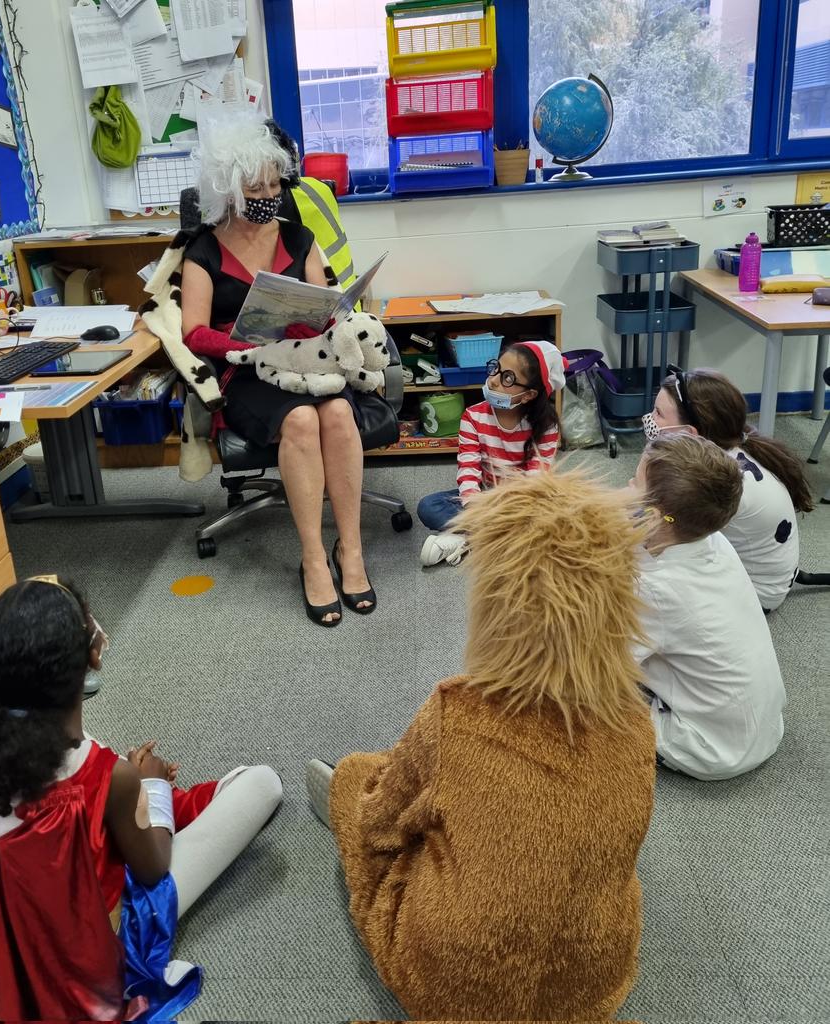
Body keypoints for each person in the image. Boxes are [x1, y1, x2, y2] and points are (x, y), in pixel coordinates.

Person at [306, 471, 656, 1020]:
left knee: (359, 776)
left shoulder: (458, 710)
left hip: (452, 980)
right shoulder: (637, 722)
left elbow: (380, 826)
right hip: (592, 984)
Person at [0, 576, 282, 1021]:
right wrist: (149, 787)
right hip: (92, 975)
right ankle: (186, 796)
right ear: (94, 655)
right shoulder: (107, 778)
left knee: (139, 801)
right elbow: (154, 868)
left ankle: (172, 801)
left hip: (0, 969)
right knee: (262, 784)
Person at [181, 112, 375, 626]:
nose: (269, 194)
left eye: (273, 183)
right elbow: (193, 331)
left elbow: (322, 304)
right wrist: (242, 344)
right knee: (301, 420)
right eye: (255, 186)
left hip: (306, 362)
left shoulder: (298, 236)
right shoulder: (201, 249)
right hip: (245, 372)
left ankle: (349, 551)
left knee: (336, 413)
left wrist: (326, 316)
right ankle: (313, 559)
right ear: (227, 190)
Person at [630, 434, 787, 780]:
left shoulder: (656, 591)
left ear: (652, 516)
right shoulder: (709, 536)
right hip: (762, 725)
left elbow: (600, 665)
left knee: (583, 703)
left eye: (634, 482)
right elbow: (646, 538)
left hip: (711, 748)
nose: (626, 486)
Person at [642, 365, 813, 610]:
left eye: (658, 413)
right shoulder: (727, 451)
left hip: (757, 593)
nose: (650, 419)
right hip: (764, 570)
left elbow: (664, 529)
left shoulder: (716, 480)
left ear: (690, 433)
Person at [418, 340, 564, 567]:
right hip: (484, 497)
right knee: (429, 506)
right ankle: (496, 539)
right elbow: (468, 471)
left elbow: (534, 482)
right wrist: (475, 508)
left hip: (522, 503)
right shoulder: (472, 416)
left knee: (557, 516)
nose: (493, 380)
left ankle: (470, 538)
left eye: (507, 378)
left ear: (528, 395)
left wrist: (507, 513)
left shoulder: (546, 426)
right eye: (496, 368)